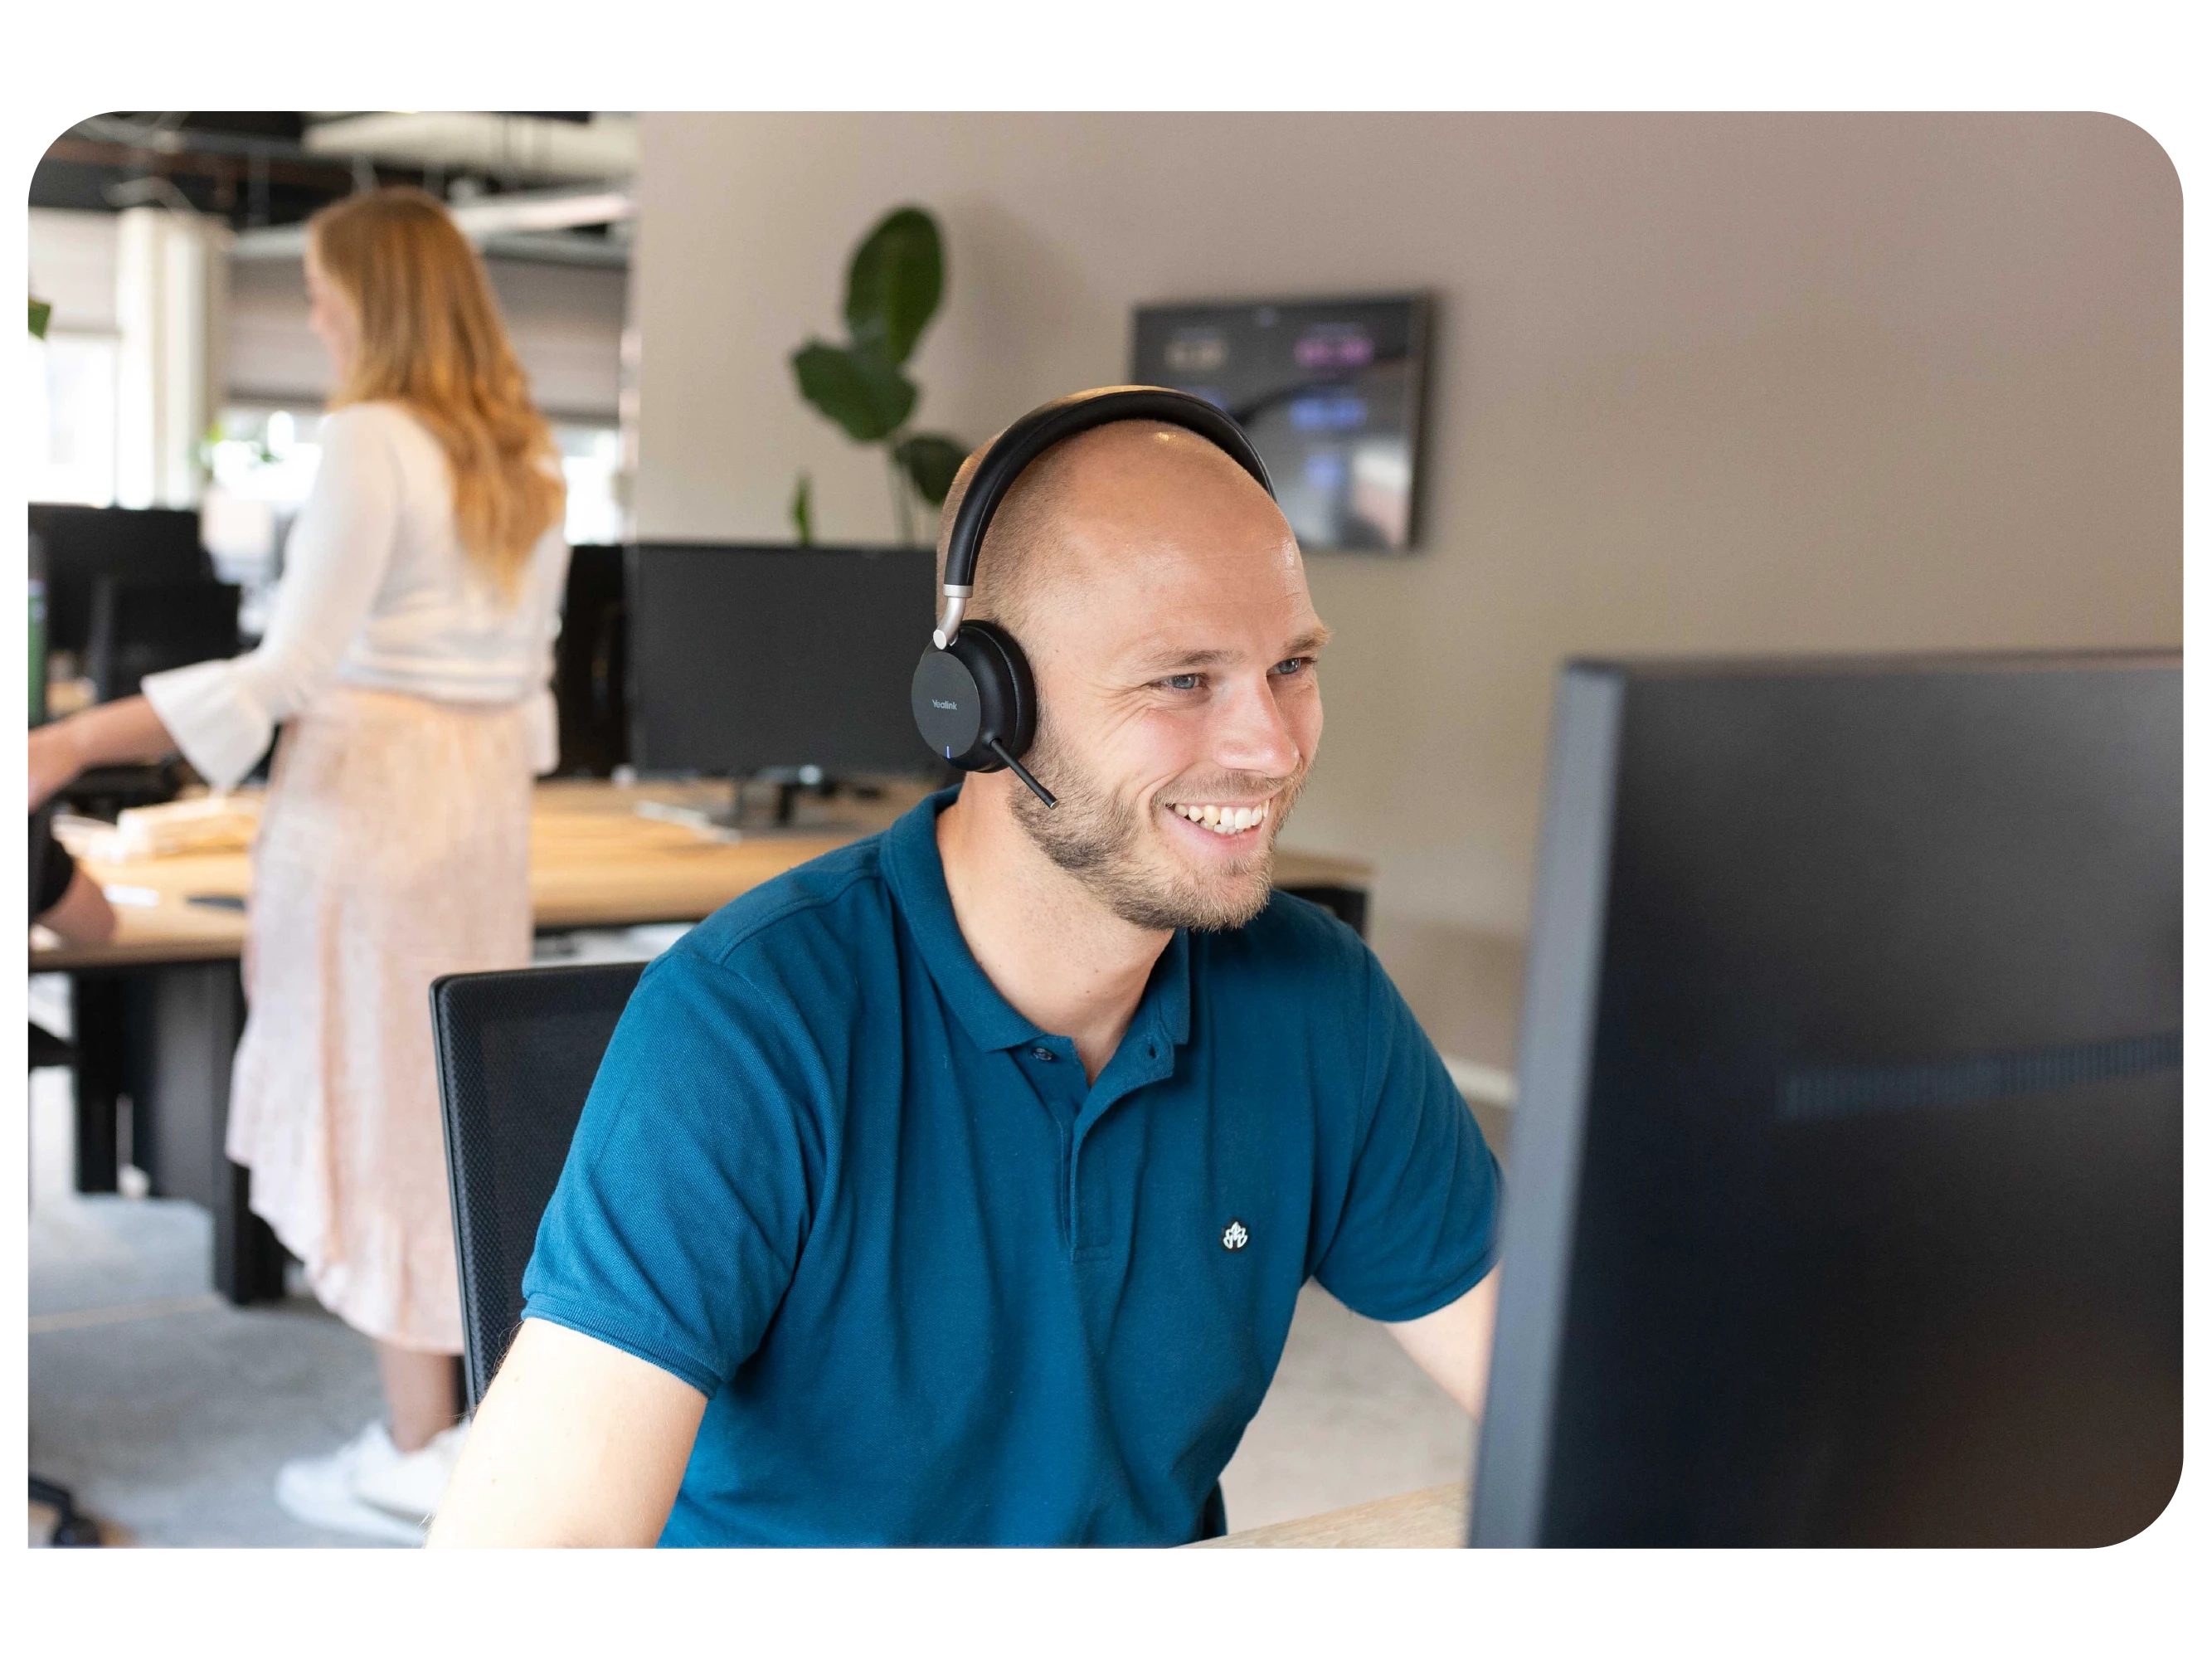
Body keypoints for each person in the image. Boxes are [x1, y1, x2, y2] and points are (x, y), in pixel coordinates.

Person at [429, 396, 1500, 1550]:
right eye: (1181, 680)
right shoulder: (747, 1026)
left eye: (1290, 664)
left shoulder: (1315, 1004)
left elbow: (1575, 1400)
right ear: (982, 704)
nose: (1272, 746)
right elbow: (525, 1570)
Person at [25, 187, 570, 1546]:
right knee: (436, 1096)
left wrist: (59, 746)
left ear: (371, 300)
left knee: (376, 1108)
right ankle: (442, 1430)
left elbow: (289, 668)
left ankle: (415, 1448)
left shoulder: (375, 437)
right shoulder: (525, 452)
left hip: (374, 798)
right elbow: (533, 682)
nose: (314, 313)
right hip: (475, 801)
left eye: (325, 291)